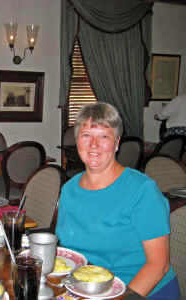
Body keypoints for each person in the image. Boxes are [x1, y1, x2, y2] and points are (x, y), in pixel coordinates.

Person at [56, 102, 180, 299]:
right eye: (86, 135)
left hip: (139, 292)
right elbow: (68, 252)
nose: (94, 145)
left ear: (117, 143)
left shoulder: (142, 191)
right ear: (77, 141)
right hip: (88, 289)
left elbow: (158, 266)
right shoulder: (69, 189)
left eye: (104, 136)